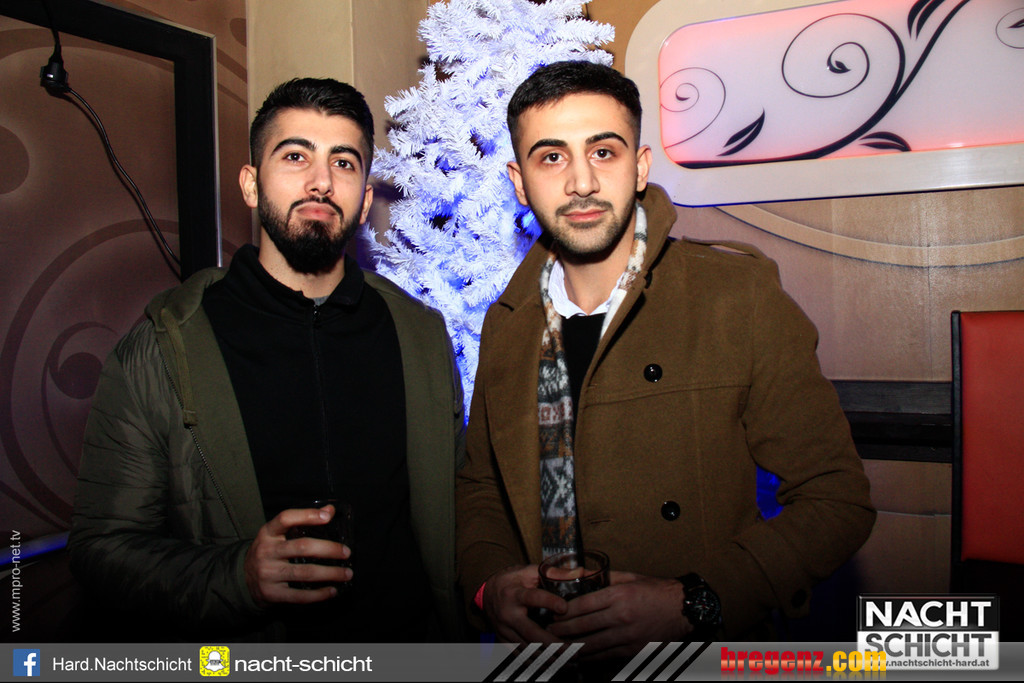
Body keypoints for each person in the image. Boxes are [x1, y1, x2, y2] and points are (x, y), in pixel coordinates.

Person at [456, 61, 875, 656]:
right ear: (519, 182)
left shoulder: (735, 295)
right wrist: (489, 588)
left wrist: (694, 602)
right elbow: (481, 489)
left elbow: (836, 499)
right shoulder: (507, 322)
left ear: (640, 167)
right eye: (551, 157)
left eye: (603, 152)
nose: (581, 182)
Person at [70, 78, 465, 642]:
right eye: (295, 156)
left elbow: (458, 510)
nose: (321, 181)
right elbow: (102, 549)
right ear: (251, 185)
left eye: (344, 163)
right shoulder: (164, 346)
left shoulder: (418, 335)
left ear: (364, 202)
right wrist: (238, 577)